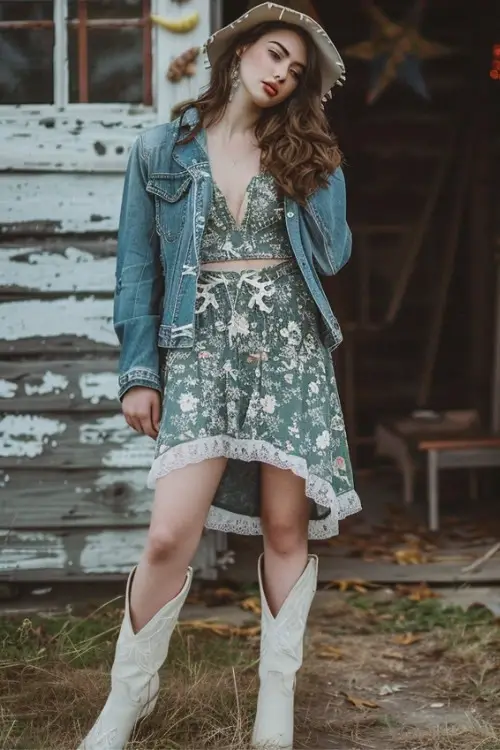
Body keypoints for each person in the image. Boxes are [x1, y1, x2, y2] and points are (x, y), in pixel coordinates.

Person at [78, 3, 361, 749]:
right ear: (236, 53)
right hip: (198, 350)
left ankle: (276, 703)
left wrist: (319, 162)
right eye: (273, 55)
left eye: (296, 71)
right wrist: (139, 371)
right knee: (171, 531)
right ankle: (125, 702)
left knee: (282, 523)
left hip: (287, 349)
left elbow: (332, 258)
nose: (281, 73)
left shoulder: (304, 152)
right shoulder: (159, 151)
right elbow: (136, 269)